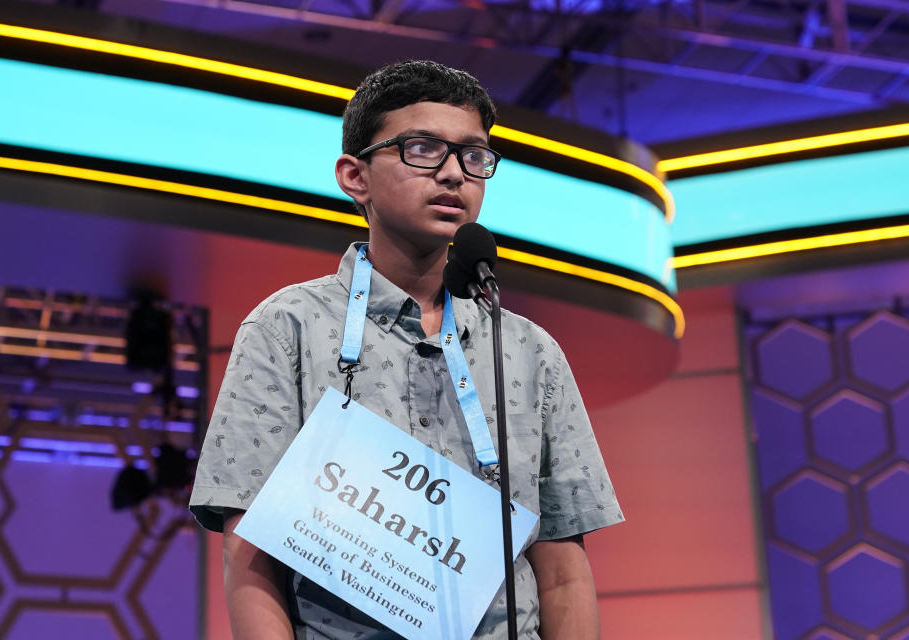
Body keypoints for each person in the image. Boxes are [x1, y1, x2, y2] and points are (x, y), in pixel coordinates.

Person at [189, 60, 624, 640]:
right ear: (355, 177)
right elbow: (249, 559)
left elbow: (564, 571)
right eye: (422, 148)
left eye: (473, 156)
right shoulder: (284, 329)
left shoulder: (528, 350)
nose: (454, 175)